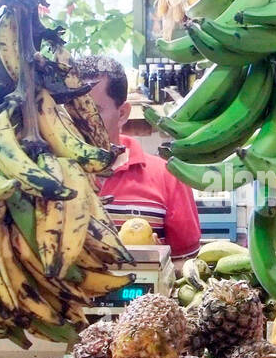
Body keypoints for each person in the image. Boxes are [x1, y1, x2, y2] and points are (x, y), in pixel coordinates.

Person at [80, 55, 201, 261]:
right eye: (71, 109)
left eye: (93, 111)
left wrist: (157, 260)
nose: (80, 120)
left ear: (123, 114)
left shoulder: (168, 176)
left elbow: (188, 264)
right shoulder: (47, 175)